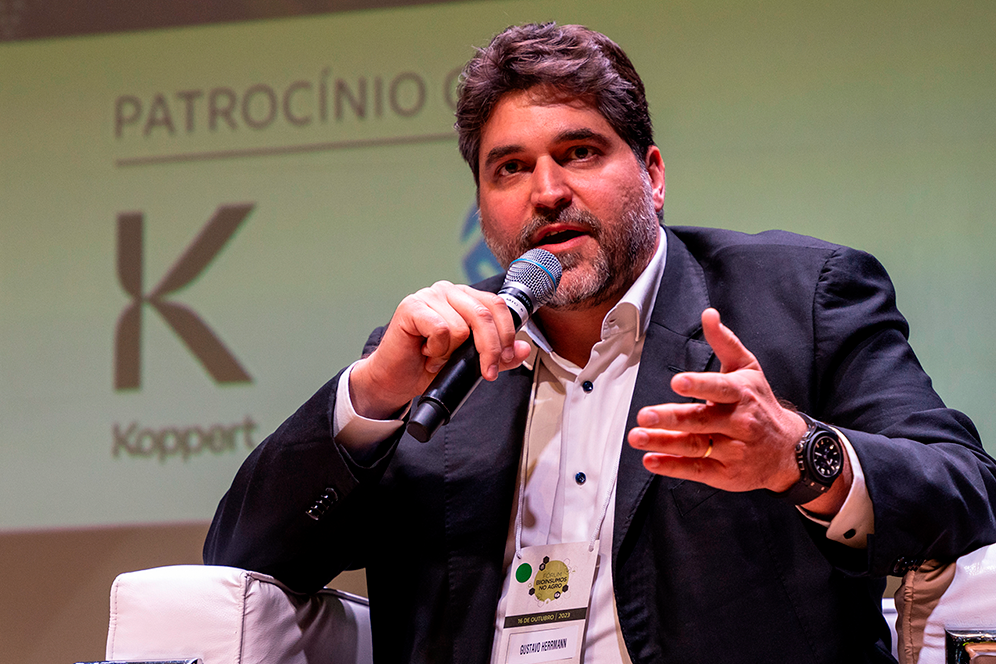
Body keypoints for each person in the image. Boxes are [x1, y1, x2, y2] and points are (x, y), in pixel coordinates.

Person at [204, 22, 996, 663]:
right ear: (483, 210)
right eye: (510, 169)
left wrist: (799, 456)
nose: (547, 192)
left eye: (578, 153)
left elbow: (969, 494)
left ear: (653, 175)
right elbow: (242, 567)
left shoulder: (802, 298)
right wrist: (371, 395)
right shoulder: (437, 361)